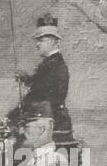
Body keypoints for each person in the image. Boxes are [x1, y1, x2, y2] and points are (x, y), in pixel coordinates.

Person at [12, 14, 74, 146]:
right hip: (48, 119)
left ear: (52, 41)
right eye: (37, 40)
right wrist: (26, 78)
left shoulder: (54, 65)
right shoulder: (51, 63)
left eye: (41, 40)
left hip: (52, 124)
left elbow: (39, 95)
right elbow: (41, 85)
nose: (37, 44)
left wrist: (15, 114)